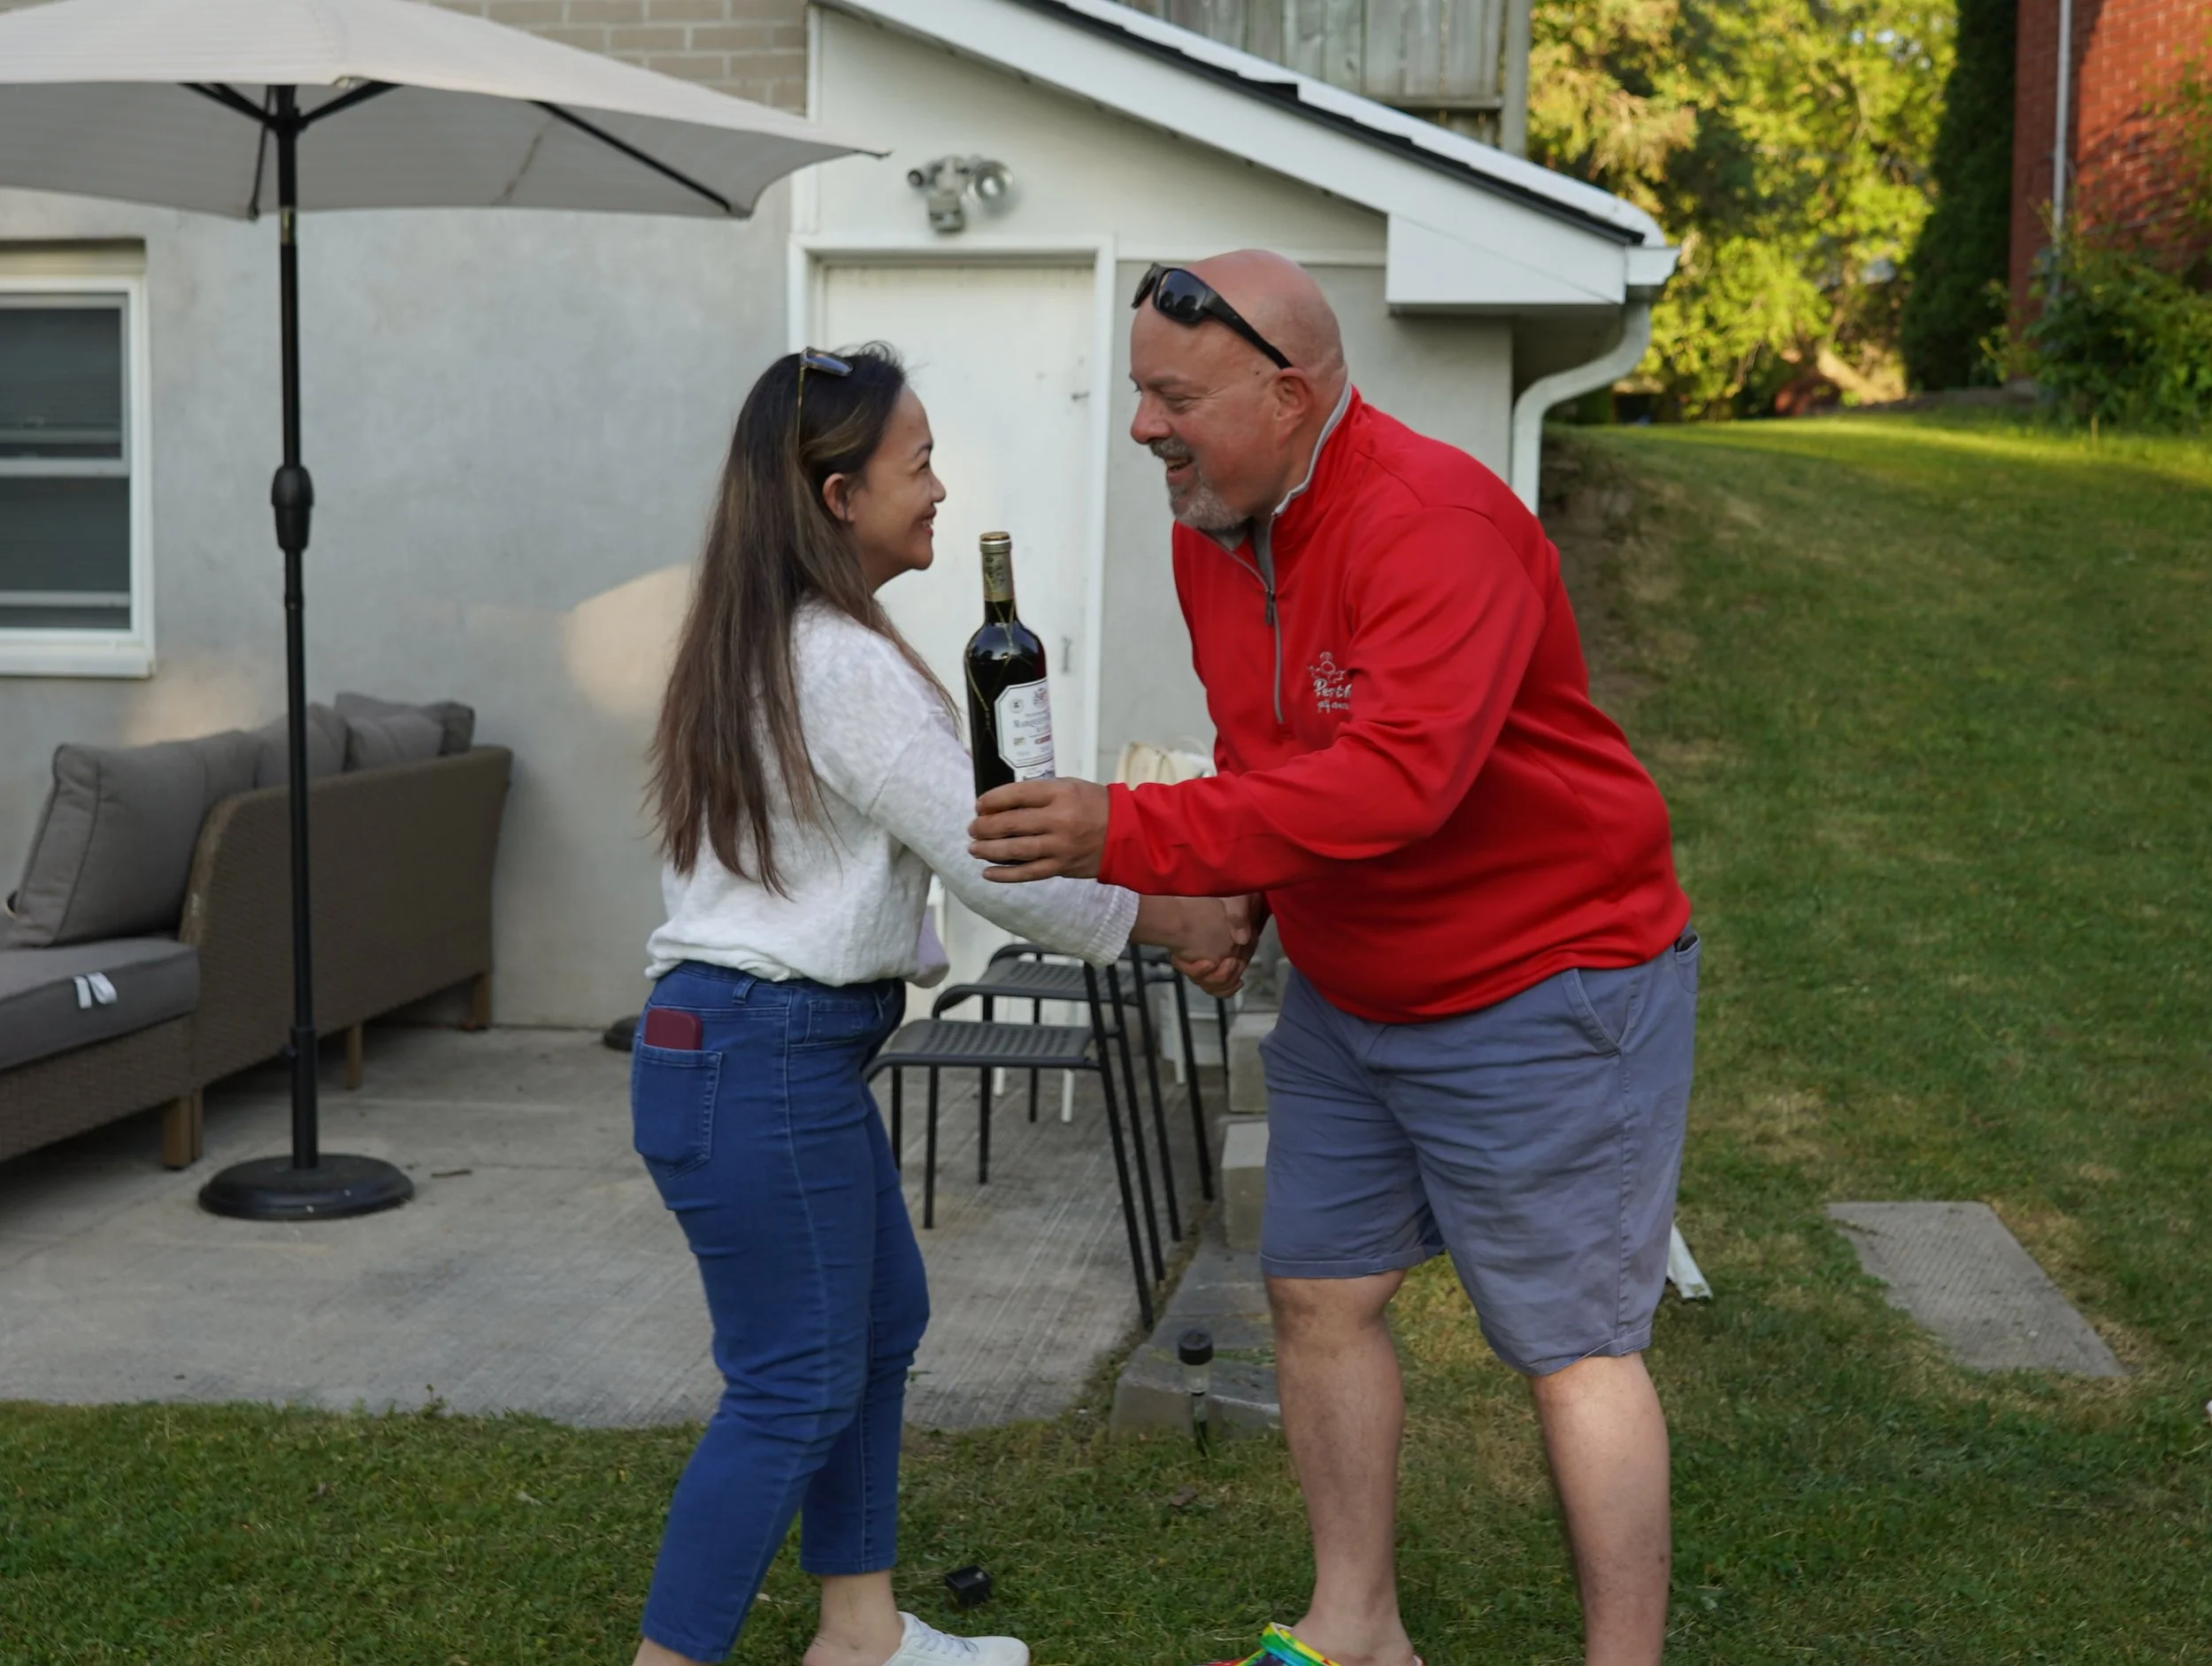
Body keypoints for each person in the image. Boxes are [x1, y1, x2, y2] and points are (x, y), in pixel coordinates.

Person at [967, 254, 1697, 1666]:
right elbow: (1270, 747)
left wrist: (1135, 832)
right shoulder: (1213, 527)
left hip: (1545, 979)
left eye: (1173, 396)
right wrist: (1243, 880)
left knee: (1573, 1345)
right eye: (1138, 395)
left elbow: (1394, 784)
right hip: (1357, 987)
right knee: (1317, 1289)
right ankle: (1357, 1626)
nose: (1143, 430)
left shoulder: (1438, 524)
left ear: (1290, 393)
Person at [633, 344, 1241, 1666]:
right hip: (759, 1054)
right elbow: (993, 858)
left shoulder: (789, 638)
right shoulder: (835, 664)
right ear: (839, 493)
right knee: (791, 1382)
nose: (942, 489)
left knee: (874, 1322)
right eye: (917, 467)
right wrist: (1170, 914)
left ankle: (861, 1632)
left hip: (758, 1050)